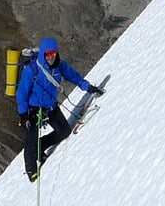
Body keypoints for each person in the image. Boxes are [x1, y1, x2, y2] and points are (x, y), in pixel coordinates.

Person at [17, 37, 102, 181]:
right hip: (33, 109)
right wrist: (24, 115)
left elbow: (73, 76)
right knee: (31, 139)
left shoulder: (59, 66)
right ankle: (31, 170)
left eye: (53, 54)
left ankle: (40, 147)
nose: (51, 57)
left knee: (64, 131)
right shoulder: (31, 70)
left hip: (50, 106)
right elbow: (22, 93)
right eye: (48, 54)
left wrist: (88, 87)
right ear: (43, 54)